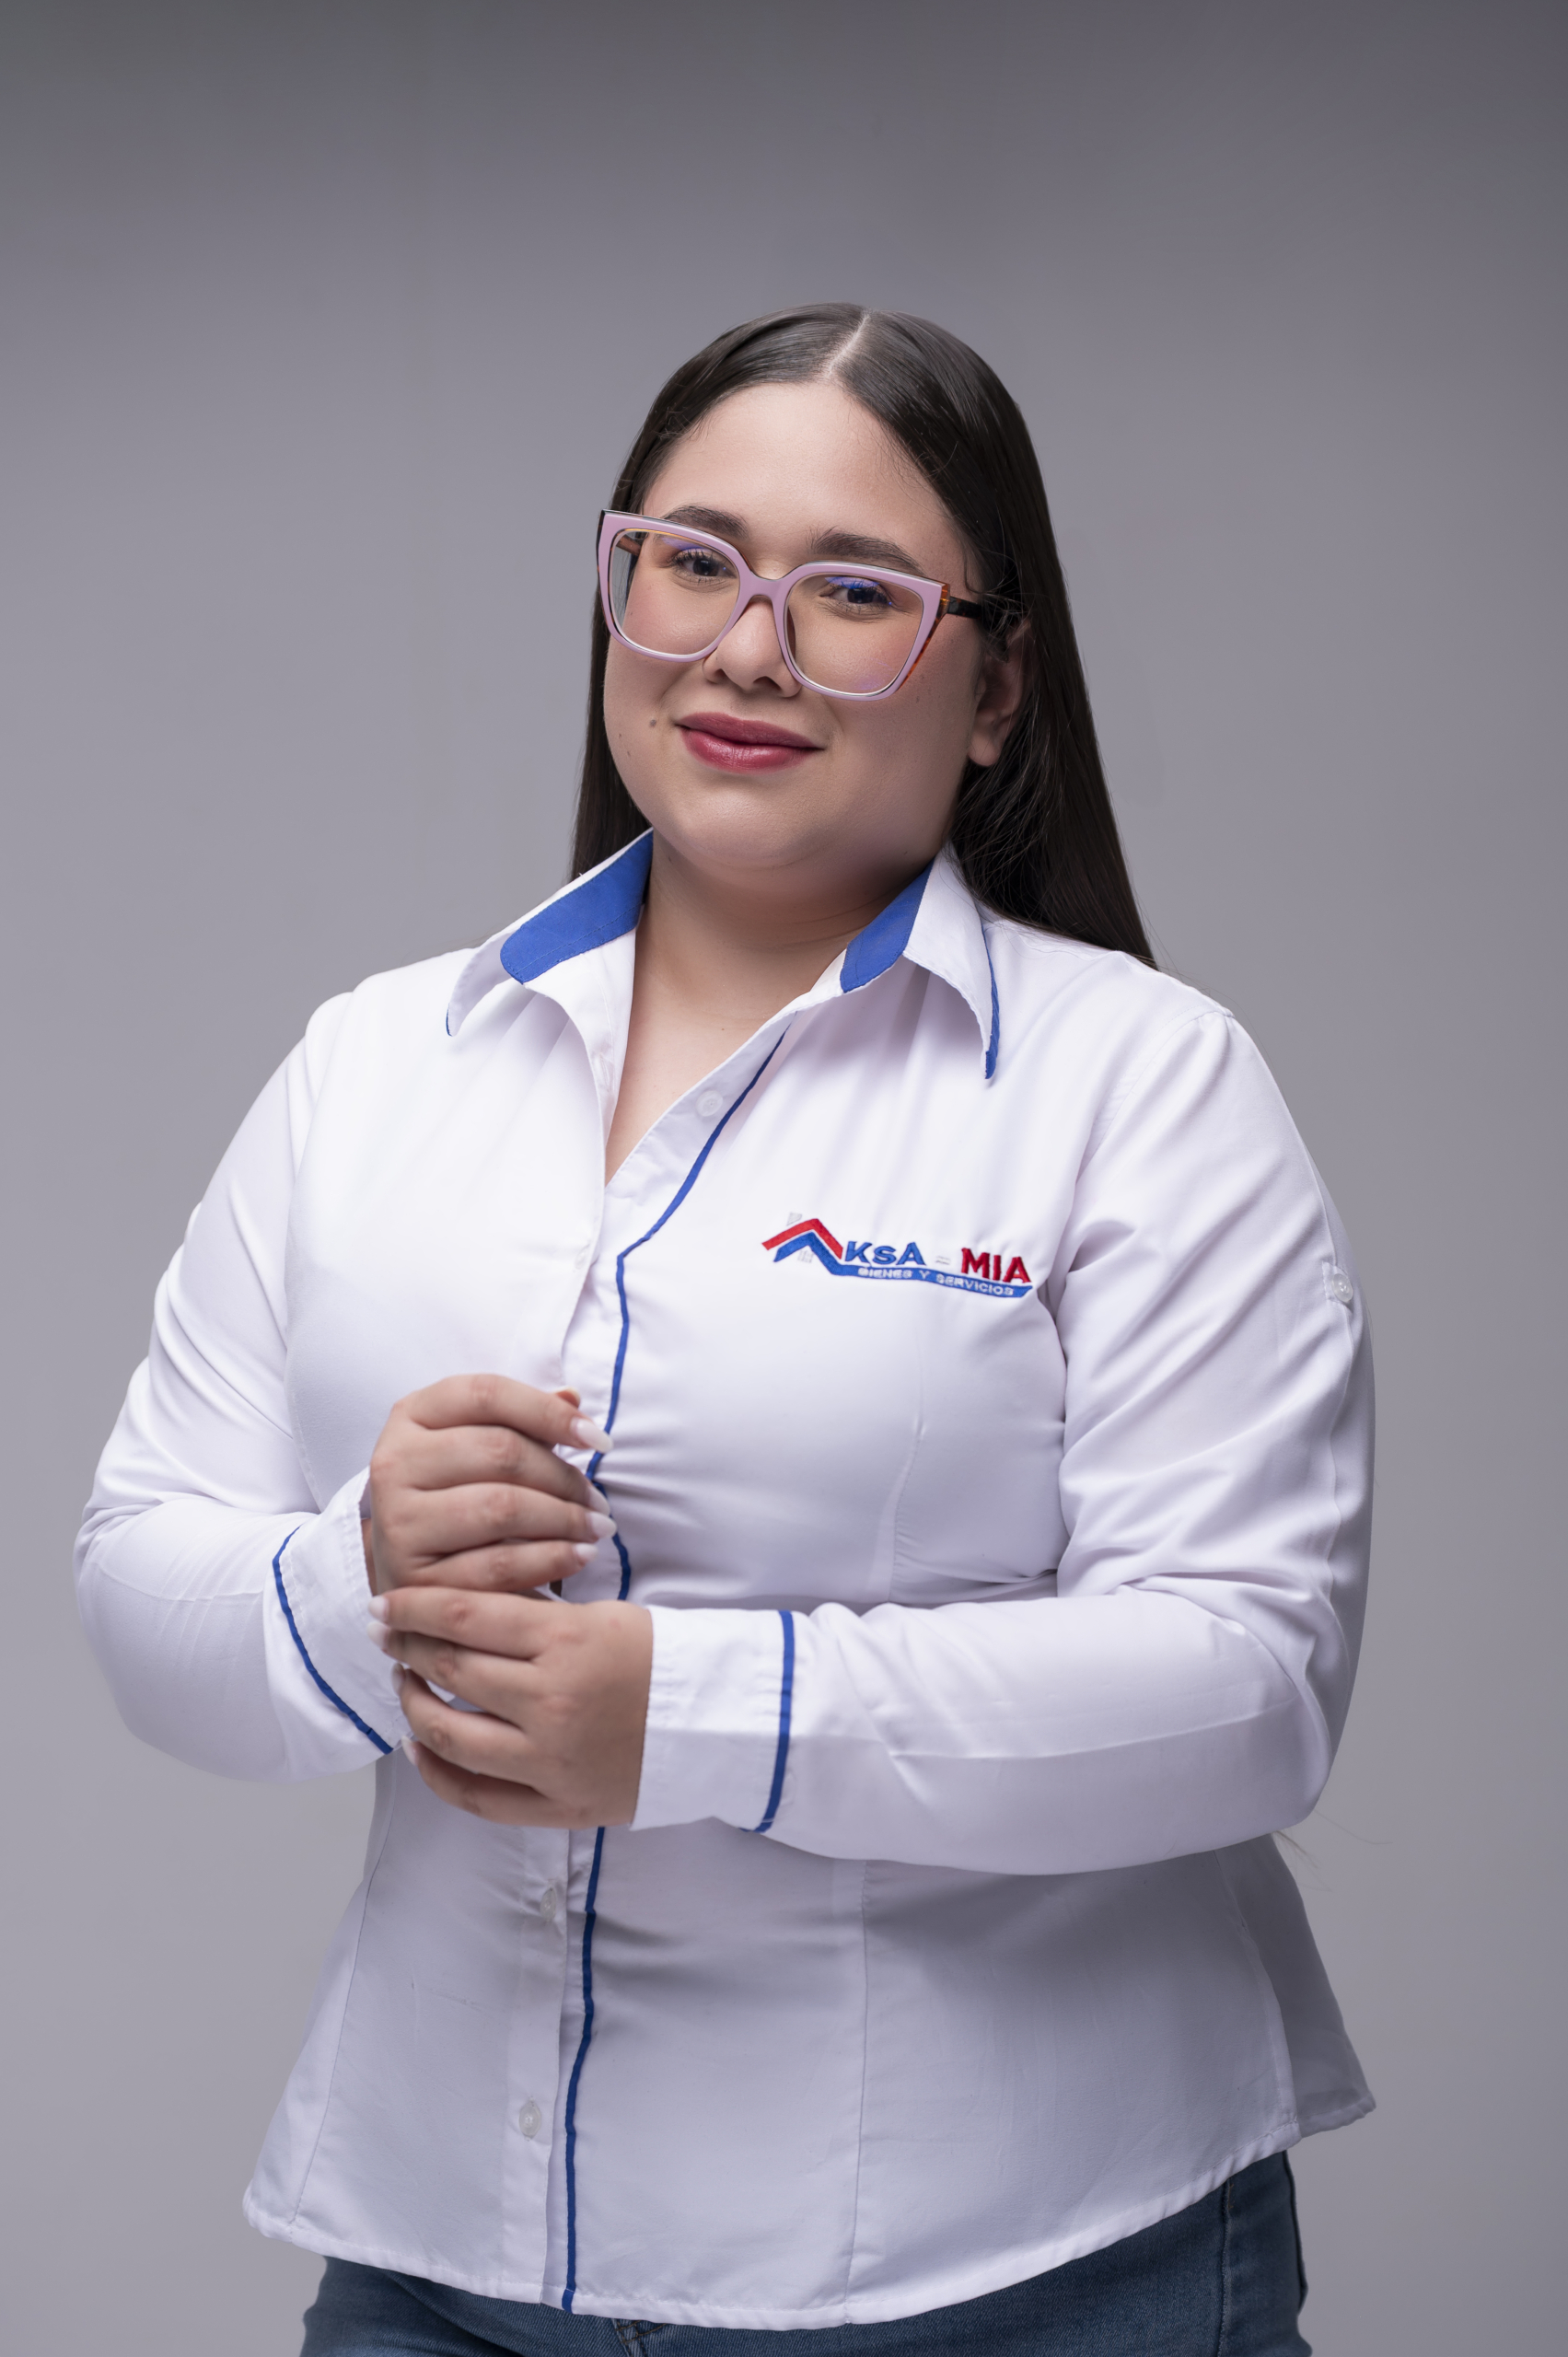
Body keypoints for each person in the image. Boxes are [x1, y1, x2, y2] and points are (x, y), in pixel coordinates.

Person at [76, 306, 1373, 2357]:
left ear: (997, 687)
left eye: (853, 591)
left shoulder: (1143, 1083)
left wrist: (692, 1714)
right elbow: (142, 1576)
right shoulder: (376, 1065)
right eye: (693, 561)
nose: (748, 648)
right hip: (450, 2261)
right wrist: (363, 1585)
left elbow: (1250, 1681)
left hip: (1022, 2275)